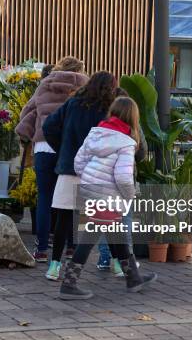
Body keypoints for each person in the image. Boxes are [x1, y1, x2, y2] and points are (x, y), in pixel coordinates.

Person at [59, 97, 158, 300]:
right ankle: (69, 284)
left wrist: (90, 178)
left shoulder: (95, 133)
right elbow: (123, 177)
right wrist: (130, 195)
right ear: (133, 117)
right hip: (108, 196)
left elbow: (78, 163)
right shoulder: (127, 143)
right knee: (88, 239)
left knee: (116, 236)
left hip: (90, 191)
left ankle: (134, 278)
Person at [42, 71, 117, 280]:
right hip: (97, 171)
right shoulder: (108, 110)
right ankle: (120, 264)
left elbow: (48, 126)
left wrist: (63, 149)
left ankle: (54, 266)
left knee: (63, 220)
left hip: (69, 169)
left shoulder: (73, 104)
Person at [16, 57, 89, 263]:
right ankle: (70, 247)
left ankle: (40, 249)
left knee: (45, 197)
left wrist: (29, 131)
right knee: (72, 199)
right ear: (80, 69)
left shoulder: (45, 84)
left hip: (44, 146)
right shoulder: (84, 86)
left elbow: (27, 112)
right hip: (71, 149)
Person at [96, 87, 148, 271]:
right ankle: (127, 259)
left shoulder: (103, 124)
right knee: (125, 219)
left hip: (104, 179)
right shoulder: (134, 127)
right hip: (125, 177)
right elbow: (142, 153)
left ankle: (104, 258)